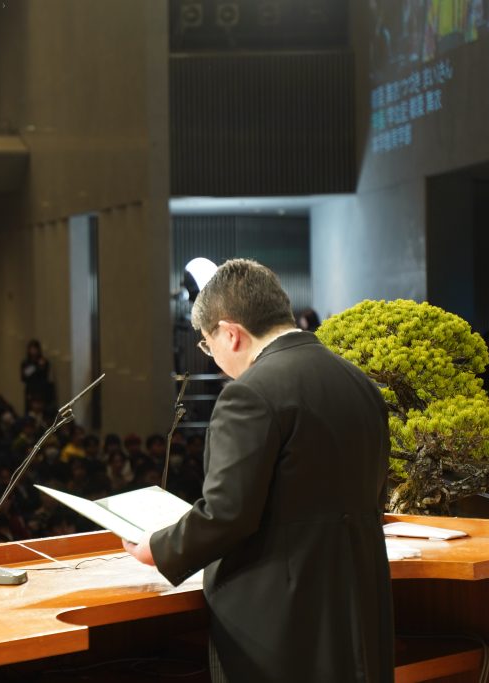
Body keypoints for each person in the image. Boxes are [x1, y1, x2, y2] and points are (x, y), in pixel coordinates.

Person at [123, 259, 393, 682]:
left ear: (231, 333)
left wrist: (157, 549)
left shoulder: (249, 394)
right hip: (358, 603)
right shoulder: (359, 382)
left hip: (282, 624)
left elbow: (226, 514)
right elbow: (375, 496)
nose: (212, 358)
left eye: (208, 346)